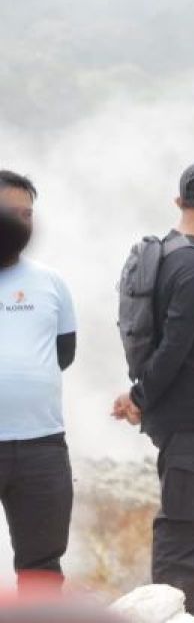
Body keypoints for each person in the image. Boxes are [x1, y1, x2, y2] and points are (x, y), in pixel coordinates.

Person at [112, 160, 194, 615]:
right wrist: (139, 397)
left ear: (179, 202)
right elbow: (174, 347)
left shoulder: (166, 254)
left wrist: (140, 397)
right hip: (192, 417)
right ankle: (170, 613)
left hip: (186, 415)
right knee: (187, 529)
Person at [0, 170, 77, 594]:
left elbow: (63, 353)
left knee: (42, 565)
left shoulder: (51, 283)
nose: (20, 224)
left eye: (27, 215)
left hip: (42, 446)